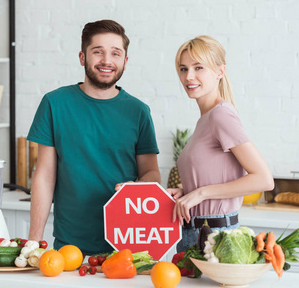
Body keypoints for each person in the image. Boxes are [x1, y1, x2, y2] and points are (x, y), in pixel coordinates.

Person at [26, 20, 160, 255]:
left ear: (125, 62)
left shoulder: (138, 111)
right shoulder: (54, 104)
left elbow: (152, 173)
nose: (107, 61)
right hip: (70, 248)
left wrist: (135, 188)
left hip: (128, 248)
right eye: (98, 52)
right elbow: (45, 175)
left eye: (115, 53)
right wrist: (33, 243)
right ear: (82, 57)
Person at [168, 35, 274, 252]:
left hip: (214, 235)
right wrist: (188, 192)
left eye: (198, 67)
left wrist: (201, 193)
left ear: (219, 71)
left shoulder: (221, 115)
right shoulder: (205, 120)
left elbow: (264, 180)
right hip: (194, 232)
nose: (189, 76)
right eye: (183, 68)